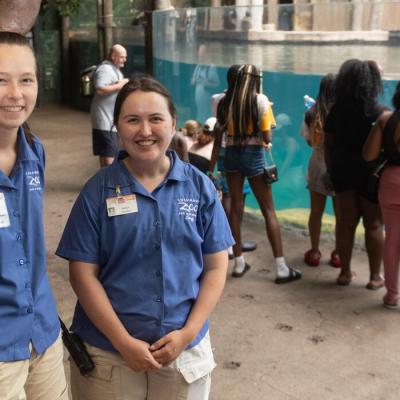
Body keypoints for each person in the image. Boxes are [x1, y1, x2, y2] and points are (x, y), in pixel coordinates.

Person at [56, 75, 234, 399]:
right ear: (118, 126)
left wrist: (188, 333)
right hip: (107, 355)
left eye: (155, 119)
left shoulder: (200, 187)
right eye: (133, 120)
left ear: (173, 122)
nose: (145, 131)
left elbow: (216, 267)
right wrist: (123, 342)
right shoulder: (97, 191)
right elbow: (82, 275)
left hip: (184, 353)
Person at [0, 32, 68, 400]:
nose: (15, 93)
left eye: (26, 79)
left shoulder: (34, 151)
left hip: (42, 333)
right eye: (0, 80)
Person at [211, 64, 301, 283]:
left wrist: (212, 165)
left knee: (235, 209)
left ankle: (239, 263)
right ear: (253, 79)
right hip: (253, 155)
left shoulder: (224, 102)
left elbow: (218, 134)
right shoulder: (260, 100)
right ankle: (280, 267)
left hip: (231, 153)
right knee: (268, 210)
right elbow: (268, 137)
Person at [324, 59, 386, 288]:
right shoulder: (380, 113)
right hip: (372, 177)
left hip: (342, 174)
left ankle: (345, 273)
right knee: (374, 225)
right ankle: (375, 277)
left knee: (346, 224)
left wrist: (331, 171)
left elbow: (328, 145)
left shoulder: (336, 112)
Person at [363, 82, 400, 308]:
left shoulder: (385, 120)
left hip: (391, 183)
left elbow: (369, 155)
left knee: (393, 240)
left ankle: (392, 295)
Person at [301, 74, 341, 268]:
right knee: (341, 214)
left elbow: (309, 141)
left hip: (317, 164)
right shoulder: (344, 112)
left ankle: (315, 251)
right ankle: (338, 253)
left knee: (316, 211)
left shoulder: (311, 113)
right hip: (338, 166)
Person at [91, 44, 129, 168]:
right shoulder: (105, 69)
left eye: (125, 57)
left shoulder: (115, 69)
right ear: (113, 56)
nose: (125, 60)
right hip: (104, 120)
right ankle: (109, 182)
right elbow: (100, 89)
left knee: (106, 152)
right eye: (122, 57)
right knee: (109, 156)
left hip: (109, 120)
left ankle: (104, 181)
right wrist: (121, 84)